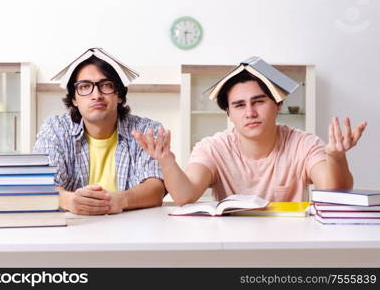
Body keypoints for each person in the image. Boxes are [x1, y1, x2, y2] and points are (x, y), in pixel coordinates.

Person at [132, 70, 367, 205]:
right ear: (229, 114)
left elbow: (334, 193)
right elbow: (185, 196)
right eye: (239, 105)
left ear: (277, 105)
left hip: (291, 245)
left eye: (259, 102)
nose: (250, 113)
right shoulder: (213, 147)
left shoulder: (303, 143)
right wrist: (166, 161)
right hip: (230, 246)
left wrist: (336, 157)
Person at [34, 54, 165, 215]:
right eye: (84, 87)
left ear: (119, 95)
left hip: (130, 229)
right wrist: (70, 200)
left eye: (106, 85)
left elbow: (156, 187)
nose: (96, 95)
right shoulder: (54, 129)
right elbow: (42, 184)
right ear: (74, 99)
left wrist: (119, 200)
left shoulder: (146, 130)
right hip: (73, 230)